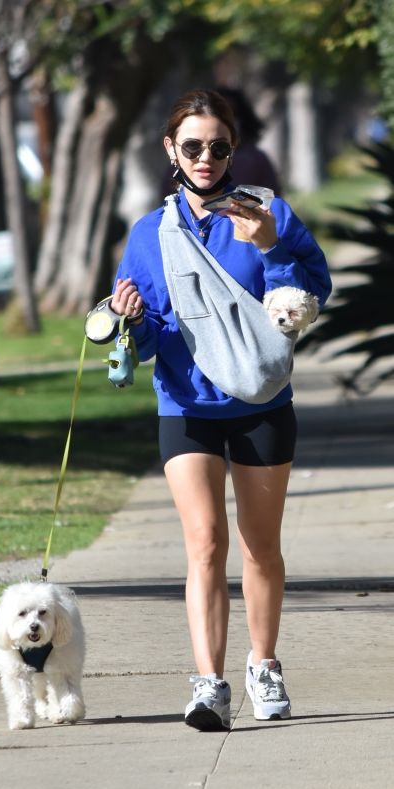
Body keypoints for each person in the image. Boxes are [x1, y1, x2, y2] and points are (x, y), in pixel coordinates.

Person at [110, 88, 331, 731]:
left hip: (261, 399)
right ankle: (210, 684)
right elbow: (149, 333)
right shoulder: (151, 233)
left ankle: (264, 665)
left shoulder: (267, 212)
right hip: (185, 402)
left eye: (219, 147)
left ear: (234, 149)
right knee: (204, 543)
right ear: (171, 150)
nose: (206, 157)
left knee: (260, 546)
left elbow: (311, 293)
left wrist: (269, 246)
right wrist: (128, 321)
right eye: (193, 146)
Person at [216, 86, 282, 195]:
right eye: (220, 116)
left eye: (233, 115)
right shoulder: (195, 158)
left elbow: (273, 201)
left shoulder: (255, 159)